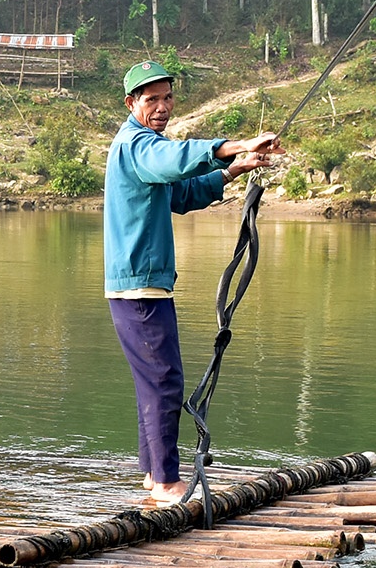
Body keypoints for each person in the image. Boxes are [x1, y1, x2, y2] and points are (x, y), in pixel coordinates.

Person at [105, 62, 281, 503]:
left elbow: (180, 193)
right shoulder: (137, 146)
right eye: (151, 100)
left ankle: (152, 476)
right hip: (139, 286)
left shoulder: (145, 151)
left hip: (142, 284)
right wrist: (233, 145)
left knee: (154, 381)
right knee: (165, 380)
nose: (161, 107)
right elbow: (173, 158)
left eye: (167, 98)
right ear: (131, 104)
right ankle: (167, 482)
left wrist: (235, 168)